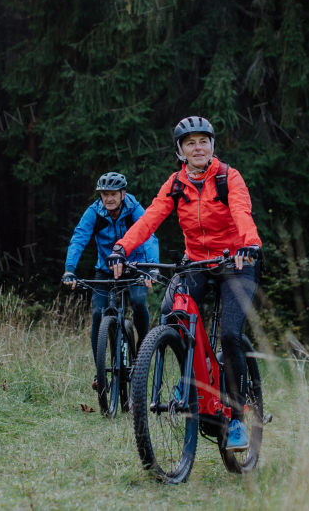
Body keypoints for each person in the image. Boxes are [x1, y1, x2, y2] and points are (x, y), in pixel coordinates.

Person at [106, 116, 262, 452]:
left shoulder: (227, 177)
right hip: (199, 262)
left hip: (236, 262)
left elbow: (241, 210)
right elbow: (149, 218)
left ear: (212, 145)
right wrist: (122, 248)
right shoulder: (175, 184)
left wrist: (249, 244)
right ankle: (187, 380)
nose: (198, 147)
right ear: (180, 150)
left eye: (203, 141)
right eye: (190, 142)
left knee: (232, 335)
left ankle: (236, 417)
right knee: (171, 309)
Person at [62, 171, 159, 385]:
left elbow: (149, 235)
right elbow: (79, 238)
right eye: (104, 194)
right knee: (98, 313)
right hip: (105, 270)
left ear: (123, 194)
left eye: (113, 194)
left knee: (137, 301)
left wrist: (151, 268)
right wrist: (70, 269)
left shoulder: (134, 209)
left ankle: (143, 350)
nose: (108, 198)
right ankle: (100, 370)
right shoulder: (94, 213)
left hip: (135, 267)